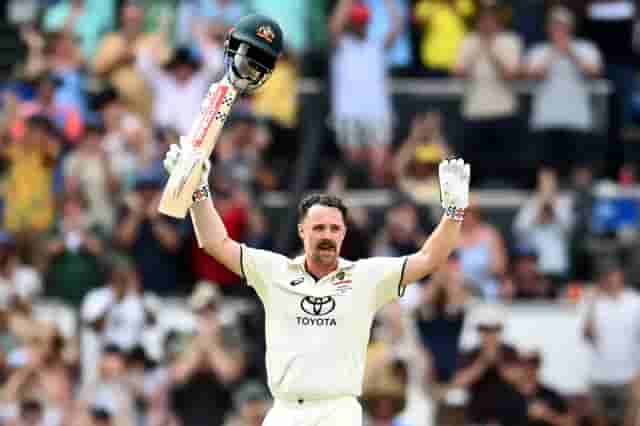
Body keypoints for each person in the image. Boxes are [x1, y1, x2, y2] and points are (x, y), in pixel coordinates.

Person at [163, 130, 470, 425]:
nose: (326, 236)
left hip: (336, 411)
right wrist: (199, 193)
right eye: (318, 228)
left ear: (344, 233)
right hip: (284, 410)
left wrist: (454, 211)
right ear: (302, 231)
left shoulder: (366, 277)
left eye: (334, 229)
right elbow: (216, 244)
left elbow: (430, 258)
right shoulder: (275, 271)